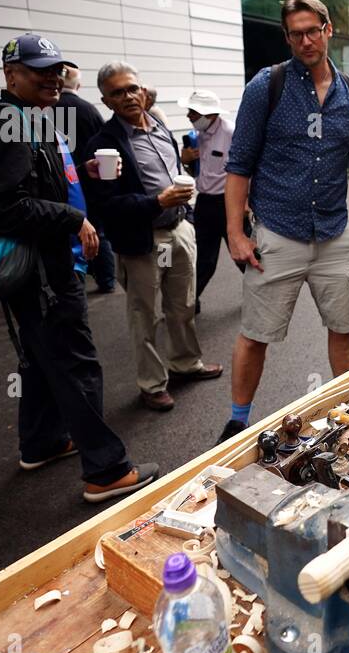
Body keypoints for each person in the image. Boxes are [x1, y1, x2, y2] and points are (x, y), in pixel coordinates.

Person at [0, 33, 157, 503]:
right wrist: (73, 217)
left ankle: (42, 442)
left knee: (40, 359)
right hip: (43, 273)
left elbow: (36, 185)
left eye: (56, 69)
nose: (52, 78)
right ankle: (106, 470)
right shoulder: (5, 124)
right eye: (39, 70)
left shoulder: (28, 116)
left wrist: (79, 180)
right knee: (76, 363)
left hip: (45, 269)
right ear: (10, 75)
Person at [219, 0, 349, 443]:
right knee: (255, 333)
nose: (306, 40)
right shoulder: (265, 87)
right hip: (278, 234)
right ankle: (237, 419)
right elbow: (238, 165)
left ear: (328, 30)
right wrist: (235, 232)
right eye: (296, 34)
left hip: (333, 235)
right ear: (287, 38)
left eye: (313, 30)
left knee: (343, 326)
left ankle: (346, 411)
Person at [81, 63, 222, 412]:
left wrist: (184, 213)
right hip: (142, 241)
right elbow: (107, 204)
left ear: (143, 91)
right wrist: (156, 202)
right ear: (106, 101)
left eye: (132, 88)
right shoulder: (104, 145)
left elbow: (173, 172)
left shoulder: (159, 126)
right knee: (144, 316)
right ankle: (151, 384)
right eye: (117, 93)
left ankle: (186, 364)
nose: (128, 96)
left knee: (183, 305)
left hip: (179, 230)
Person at [176, 89, 246, 307]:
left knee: (243, 256)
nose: (189, 116)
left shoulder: (232, 132)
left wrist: (247, 202)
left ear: (210, 114)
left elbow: (248, 168)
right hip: (204, 203)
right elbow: (195, 171)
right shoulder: (195, 136)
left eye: (193, 113)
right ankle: (189, 303)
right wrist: (185, 159)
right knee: (203, 259)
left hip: (229, 203)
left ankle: (263, 295)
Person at [58, 66, 114, 294]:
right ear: (78, 86)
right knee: (97, 230)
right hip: (88, 180)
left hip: (60, 183)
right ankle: (106, 279)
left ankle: (76, 273)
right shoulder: (87, 110)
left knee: (67, 231)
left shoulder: (42, 110)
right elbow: (104, 143)